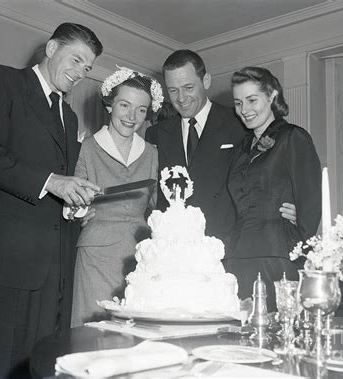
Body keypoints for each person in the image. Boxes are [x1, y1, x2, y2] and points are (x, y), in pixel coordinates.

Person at [0, 23, 103, 378]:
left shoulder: (69, 116)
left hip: (51, 273)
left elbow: (57, 186)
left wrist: (74, 202)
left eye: (87, 68)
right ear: (52, 48)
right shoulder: (1, 80)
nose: (80, 73)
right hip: (2, 267)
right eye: (76, 60)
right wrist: (52, 181)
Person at [146, 50, 296, 248]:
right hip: (174, 251)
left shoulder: (240, 123)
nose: (181, 98)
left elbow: (269, 170)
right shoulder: (156, 133)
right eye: (173, 90)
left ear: (206, 81)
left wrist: (292, 205)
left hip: (227, 247)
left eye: (188, 87)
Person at [70, 67, 162, 327]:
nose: (132, 116)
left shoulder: (153, 154)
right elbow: (71, 200)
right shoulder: (85, 149)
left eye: (141, 110)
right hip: (96, 257)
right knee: (93, 332)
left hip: (140, 257)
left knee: (134, 335)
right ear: (110, 104)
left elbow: (156, 207)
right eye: (125, 105)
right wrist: (78, 213)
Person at [226, 67, 322, 311]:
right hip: (237, 257)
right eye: (238, 103)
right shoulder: (241, 148)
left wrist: (299, 243)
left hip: (277, 255)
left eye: (251, 100)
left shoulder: (293, 137)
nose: (244, 110)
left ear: (272, 96)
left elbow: (311, 205)